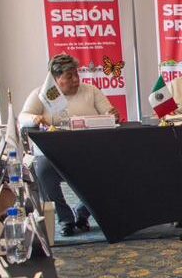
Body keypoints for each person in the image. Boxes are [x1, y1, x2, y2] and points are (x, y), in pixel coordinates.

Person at [19, 53, 118, 236]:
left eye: (76, 74)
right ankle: (65, 219)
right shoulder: (42, 95)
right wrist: (35, 118)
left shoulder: (91, 91)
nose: (75, 80)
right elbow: (22, 117)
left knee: (111, 168)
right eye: (69, 76)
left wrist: (112, 114)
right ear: (56, 79)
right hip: (52, 155)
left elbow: (109, 113)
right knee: (43, 171)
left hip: (88, 151)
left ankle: (82, 212)